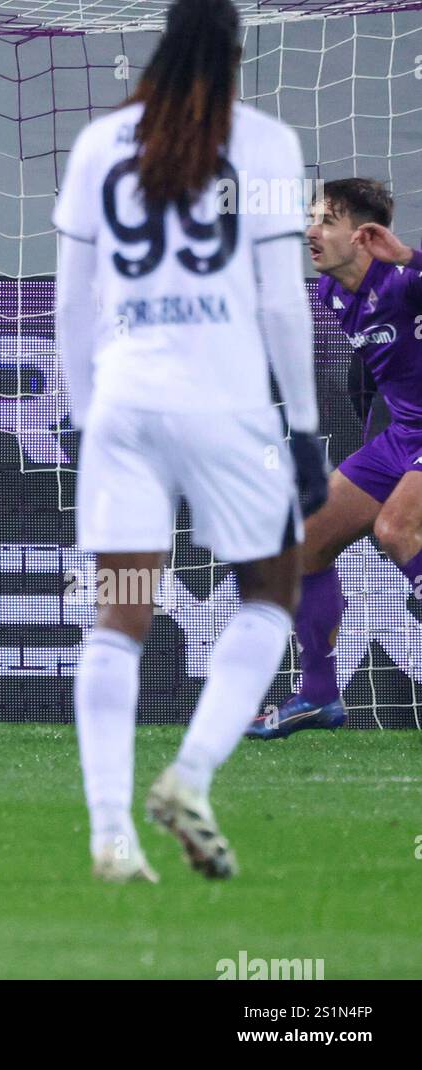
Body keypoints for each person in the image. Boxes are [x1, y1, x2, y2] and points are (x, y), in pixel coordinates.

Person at [53, 0, 328, 884]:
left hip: (128, 405)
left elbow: (70, 303)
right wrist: (305, 429)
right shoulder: (268, 144)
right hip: (228, 408)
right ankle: (192, 775)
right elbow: (283, 304)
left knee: (118, 616)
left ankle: (106, 835)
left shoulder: (99, 145)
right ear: (235, 55)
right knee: (268, 594)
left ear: (159, 51)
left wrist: (88, 414)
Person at [248, 179, 422, 738]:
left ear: (365, 235)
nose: (311, 232)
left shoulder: (405, 281)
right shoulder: (334, 296)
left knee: (397, 531)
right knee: (305, 547)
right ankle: (319, 697)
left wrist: (410, 257)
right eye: (311, 219)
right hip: (404, 436)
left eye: (325, 221)